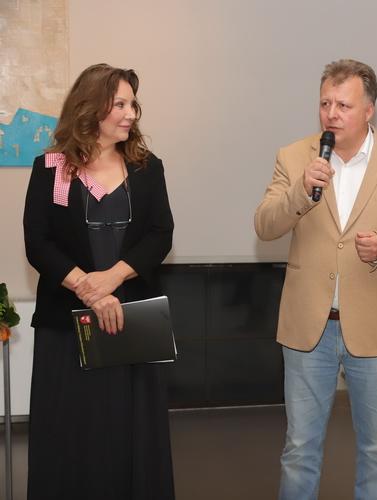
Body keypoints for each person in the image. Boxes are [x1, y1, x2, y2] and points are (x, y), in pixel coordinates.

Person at [255, 59, 377, 500]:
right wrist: (300, 190)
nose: (331, 114)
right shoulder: (295, 157)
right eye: (325, 103)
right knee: (299, 448)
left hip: (375, 327)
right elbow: (264, 225)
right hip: (309, 328)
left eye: (344, 105)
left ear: (369, 109)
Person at [23, 63, 175, 500]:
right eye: (120, 104)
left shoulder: (147, 167)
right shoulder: (51, 167)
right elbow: (38, 243)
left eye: (133, 104)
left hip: (133, 321)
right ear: (90, 107)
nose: (131, 114)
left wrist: (111, 279)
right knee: (72, 431)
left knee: (131, 433)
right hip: (67, 323)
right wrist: (87, 289)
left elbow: (160, 234)